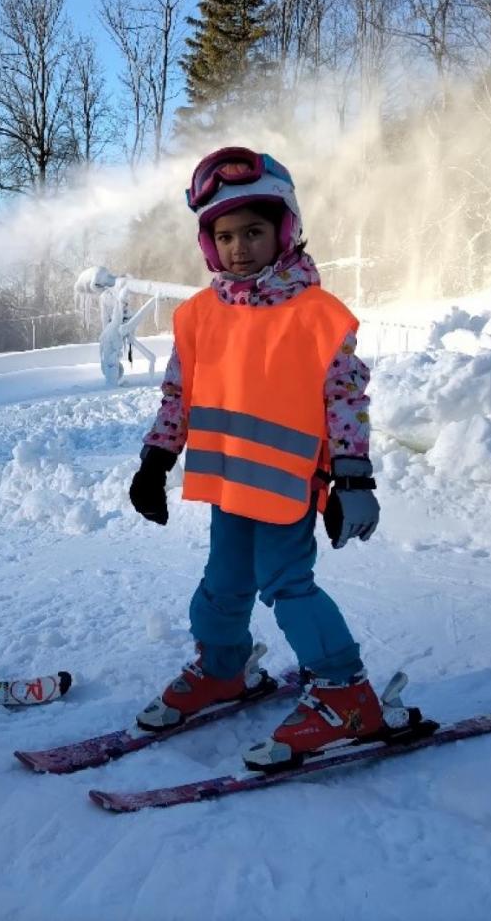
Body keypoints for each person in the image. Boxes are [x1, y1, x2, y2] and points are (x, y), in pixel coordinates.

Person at [128, 147, 405, 771]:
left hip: (287, 490)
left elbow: (344, 402)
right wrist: (156, 460)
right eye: (223, 235)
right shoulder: (199, 316)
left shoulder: (316, 316)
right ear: (207, 243)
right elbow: (180, 393)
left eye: (253, 231)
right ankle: (224, 668)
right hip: (228, 488)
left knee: (287, 587)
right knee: (222, 585)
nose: (238, 247)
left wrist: (352, 480)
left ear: (284, 229)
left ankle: (346, 692)